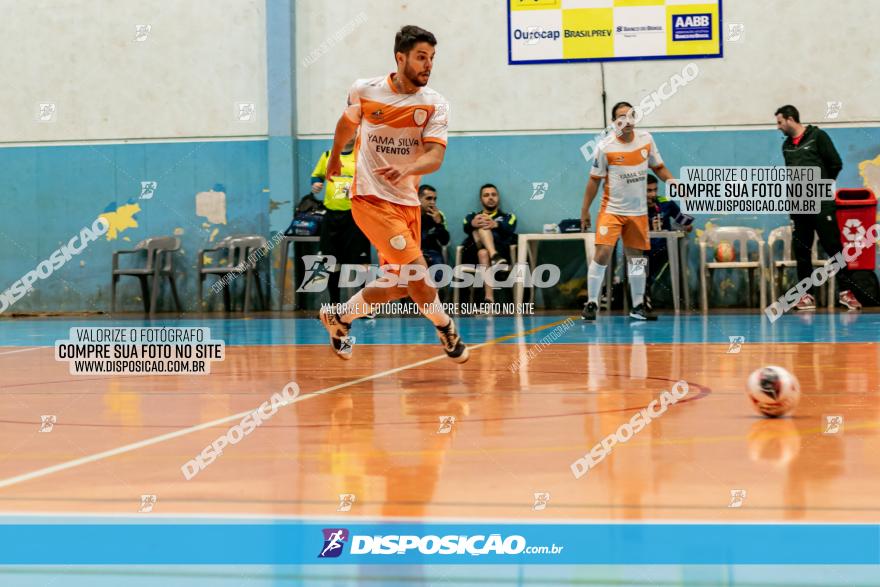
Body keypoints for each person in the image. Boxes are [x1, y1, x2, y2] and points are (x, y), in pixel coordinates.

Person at [319, 25, 468, 362]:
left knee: (399, 285)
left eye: (431, 58)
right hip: (369, 199)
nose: (428, 64)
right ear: (400, 58)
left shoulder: (435, 104)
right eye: (420, 57)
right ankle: (446, 328)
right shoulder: (365, 90)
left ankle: (339, 318)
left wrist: (408, 168)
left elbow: (435, 156)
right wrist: (335, 155)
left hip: (407, 204)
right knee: (418, 272)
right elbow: (347, 122)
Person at [580, 101, 677, 321]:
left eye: (630, 115)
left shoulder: (646, 140)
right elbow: (594, 181)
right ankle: (592, 303)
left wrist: (674, 183)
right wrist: (584, 210)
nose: (627, 120)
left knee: (636, 259)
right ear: (614, 122)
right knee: (603, 252)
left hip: (638, 211)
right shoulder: (605, 146)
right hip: (611, 210)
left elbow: (659, 167)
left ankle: (638, 305)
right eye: (621, 117)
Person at [775, 104, 861, 311]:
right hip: (798, 205)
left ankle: (846, 293)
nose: (777, 127)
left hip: (821, 204)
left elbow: (835, 164)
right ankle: (806, 296)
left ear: (790, 119)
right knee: (802, 250)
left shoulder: (818, 137)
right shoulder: (786, 146)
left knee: (833, 248)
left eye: (779, 122)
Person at [309, 137, 371, 305]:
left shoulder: (362, 156)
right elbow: (316, 177)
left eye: (353, 131)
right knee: (332, 262)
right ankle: (335, 304)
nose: (350, 134)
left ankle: (364, 306)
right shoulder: (329, 155)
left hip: (356, 217)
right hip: (332, 218)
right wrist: (316, 184)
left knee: (361, 263)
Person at [461, 184, 517, 303]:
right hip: (473, 255)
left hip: (500, 252)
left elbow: (510, 228)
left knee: (483, 253)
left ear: (498, 197)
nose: (490, 198)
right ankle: (494, 256)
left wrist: (495, 224)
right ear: (481, 199)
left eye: (493, 195)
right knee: (481, 226)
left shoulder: (508, 216)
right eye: (486, 195)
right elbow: (465, 226)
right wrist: (473, 223)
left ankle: (489, 299)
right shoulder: (472, 215)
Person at [645, 174, 693, 310]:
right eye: (648, 191)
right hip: (641, 249)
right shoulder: (634, 207)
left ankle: (643, 291)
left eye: (655, 190)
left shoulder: (665, 202)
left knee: (653, 258)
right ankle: (641, 294)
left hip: (661, 249)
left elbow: (687, 225)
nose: (653, 194)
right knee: (638, 258)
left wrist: (686, 223)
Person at [418, 184, 450, 273]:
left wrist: (439, 223)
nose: (433, 202)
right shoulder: (410, 215)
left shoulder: (439, 215)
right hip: (414, 252)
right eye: (429, 198)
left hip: (432, 252)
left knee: (439, 270)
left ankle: (437, 287)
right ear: (418, 199)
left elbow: (445, 241)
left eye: (434, 199)